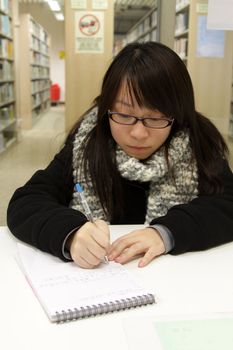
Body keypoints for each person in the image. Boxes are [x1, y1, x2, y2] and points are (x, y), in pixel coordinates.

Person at [7, 42, 233, 269]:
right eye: (124, 115)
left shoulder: (198, 144)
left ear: (178, 114)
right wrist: (71, 233)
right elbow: (26, 202)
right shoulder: (87, 143)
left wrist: (166, 232)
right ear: (107, 108)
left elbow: (227, 204)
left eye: (155, 118)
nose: (138, 133)